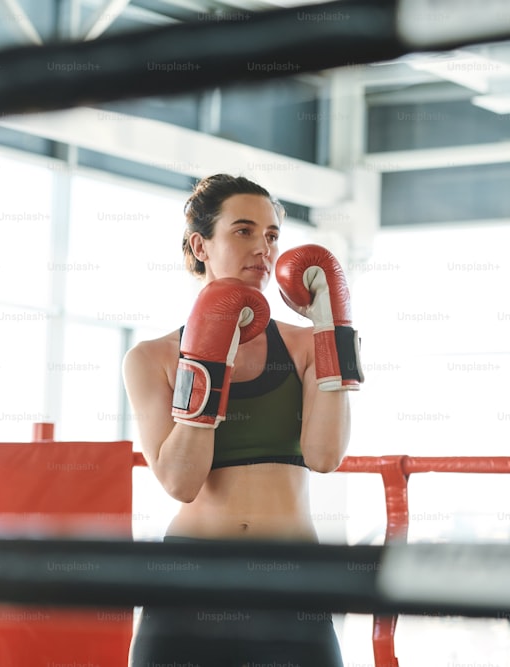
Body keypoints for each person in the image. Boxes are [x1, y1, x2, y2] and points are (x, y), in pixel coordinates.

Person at [122, 173, 363, 667]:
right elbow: (181, 482)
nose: (264, 248)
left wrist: (331, 332)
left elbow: (324, 456)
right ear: (200, 245)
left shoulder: (302, 346)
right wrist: (208, 360)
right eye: (244, 230)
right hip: (190, 576)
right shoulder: (153, 357)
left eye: (272, 235)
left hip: (291, 578)